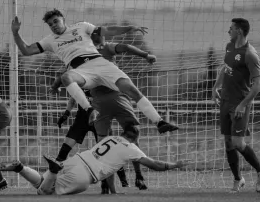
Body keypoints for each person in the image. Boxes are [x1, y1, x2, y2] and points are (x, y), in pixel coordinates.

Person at [11, 9, 178, 134]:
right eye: (50, 24)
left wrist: (129, 28)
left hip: (99, 63)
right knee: (67, 76)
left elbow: (107, 30)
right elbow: (26, 51)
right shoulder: (49, 41)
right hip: (81, 70)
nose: (54, 26)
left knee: (130, 88)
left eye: (56, 21)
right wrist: (15, 33)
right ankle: (89, 110)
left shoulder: (82, 26)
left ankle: (159, 122)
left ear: (63, 19)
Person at [50, 33, 157, 192]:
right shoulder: (74, 65)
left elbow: (124, 47)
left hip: (104, 107)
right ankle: (51, 180)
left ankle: (127, 179)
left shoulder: (104, 55)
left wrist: (144, 54)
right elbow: (67, 84)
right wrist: (65, 112)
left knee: (113, 147)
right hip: (85, 114)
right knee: (67, 150)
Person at [0, 125, 187, 196]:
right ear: (136, 138)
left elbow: (111, 169)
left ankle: (21, 167)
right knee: (44, 192)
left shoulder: (109, 138)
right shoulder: (132, 149)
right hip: (84, 175)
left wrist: (112, 192)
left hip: (76, 159)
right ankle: (50, 170)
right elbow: (156, 165)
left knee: (42, 182)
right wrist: (175, 165)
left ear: (122, 133)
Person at [211, 18, 260, 193]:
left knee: (238, 142)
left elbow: (258, 85)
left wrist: (243, 104)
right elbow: (225, 68)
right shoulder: (229, 46)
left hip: (239, 103)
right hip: (225, 101)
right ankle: (238, 179)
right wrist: (215, 87)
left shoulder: (250, 54)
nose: (228, 31)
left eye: (231, 28)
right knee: (228, 143)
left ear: (240, 31)